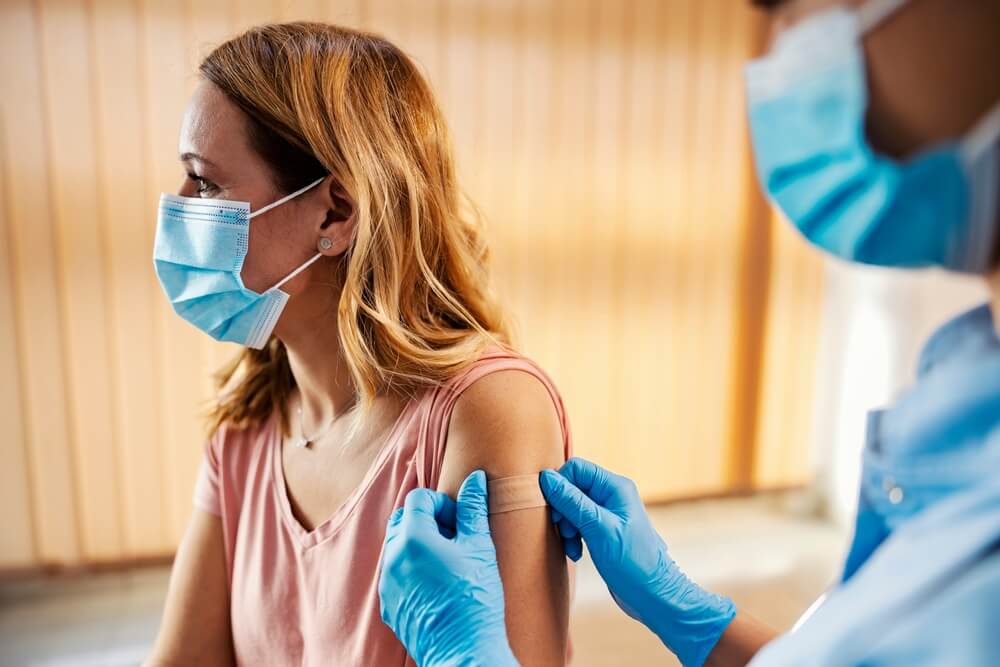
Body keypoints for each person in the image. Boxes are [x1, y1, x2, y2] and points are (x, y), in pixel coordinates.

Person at [378, 0, 1000, 664]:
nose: (773, 58)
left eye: (789, 4)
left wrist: (467, 656)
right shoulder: (966, 414)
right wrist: (690, 612)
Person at [145, 22, 574, 666]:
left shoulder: (486, 412)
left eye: (205, 183)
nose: (178, 207)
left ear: (334, 213)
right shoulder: (246, 429)